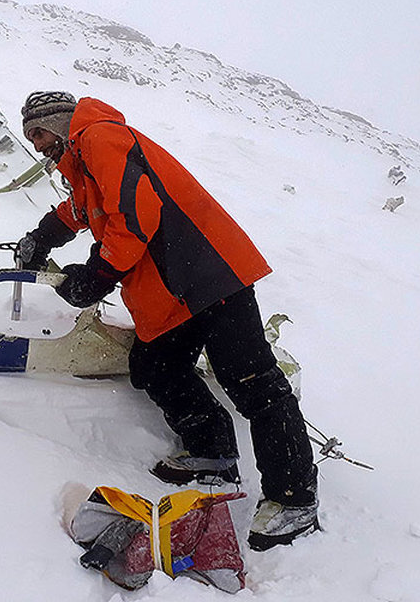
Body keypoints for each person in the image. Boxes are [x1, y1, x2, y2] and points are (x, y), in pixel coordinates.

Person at [16, 91, 319, 551]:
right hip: (173, 288)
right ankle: (213, 452)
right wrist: (43, 236)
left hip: (210, 274)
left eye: (39, 132)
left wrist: (96, 276)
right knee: (156, 366)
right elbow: (83, 209)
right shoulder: (83, 161)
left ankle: (295, 498)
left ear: (59, 123)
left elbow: (136, 215)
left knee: (253, 383)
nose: (37, 145)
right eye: (30, 137)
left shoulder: (99, 137)